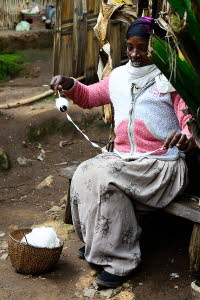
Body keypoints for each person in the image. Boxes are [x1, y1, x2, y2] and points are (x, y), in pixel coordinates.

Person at [50, 17, 195, 288]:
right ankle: (98, 244)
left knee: (106, 178)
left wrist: (187, 139)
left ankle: (120, 261)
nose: (135, 55)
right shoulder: (117, 76)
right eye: (130, 47)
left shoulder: (172, 80)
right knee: (84, 173)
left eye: (143, 48)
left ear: (160, 47)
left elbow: (190, 125)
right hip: (125, 160)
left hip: (160, 166)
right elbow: (90, 96)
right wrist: (69, 84)